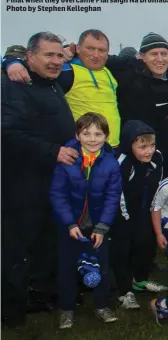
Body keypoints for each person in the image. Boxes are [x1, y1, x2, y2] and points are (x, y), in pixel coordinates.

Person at [1, 31, 76, 327]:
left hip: (52, 182)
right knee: (16, 246)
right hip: (22, 183)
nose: (55, 61)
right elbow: (8, 134)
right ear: (29, 57)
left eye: (59, 55)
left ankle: (38, 296)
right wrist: (53, 151)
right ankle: (10, 313)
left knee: (46, 242)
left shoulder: (53, 84)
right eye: (49, 55)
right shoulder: (14, 85)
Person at [50, 113, 122, 329]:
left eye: (98, 134)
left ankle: (101, 305)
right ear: (77, 135)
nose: (92, 139)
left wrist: (102, 228)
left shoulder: (111, 164)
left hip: (97, 228)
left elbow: (112, 197)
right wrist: (69, 224)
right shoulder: (67, 161)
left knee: (102, 268)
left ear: (106, 136)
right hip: (70, 227)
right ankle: (67, 309)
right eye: (86, 133)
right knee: (67, 269)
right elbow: (57, 194)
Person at [4, 29, 121, 148]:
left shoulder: (108, 71)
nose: (96, 54)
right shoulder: (66, 71)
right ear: (78, 48)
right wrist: (12, 62)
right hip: (82, 150)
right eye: (90, 48)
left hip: (111, 148)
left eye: (101, 50)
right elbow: (34, 68)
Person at [106, 32, 168, 175]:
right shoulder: (128, 70)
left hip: (164, 150)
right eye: (154, 54)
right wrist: (71, 50)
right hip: (132, 151)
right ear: (142, 56)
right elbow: (99, 56)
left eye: (164, 54)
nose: (160, 59)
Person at [109, 120, 167, 311]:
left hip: (145, 210)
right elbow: (118, 193)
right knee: (123, 250)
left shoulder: (157, 157)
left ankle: (140, 280)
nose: (148, 150)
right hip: (122, 214)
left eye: (152, 145)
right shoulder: (121, 162)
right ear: (129, 144)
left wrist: (153, 209)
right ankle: (124, 291)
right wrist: (125, 218)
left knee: (146, 244)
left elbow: (158, 182)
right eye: (142, 147)